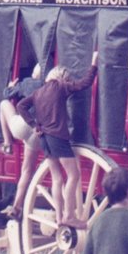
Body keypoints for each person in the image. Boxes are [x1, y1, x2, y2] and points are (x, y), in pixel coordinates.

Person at [17, 54, 98, 227]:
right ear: (61, 77)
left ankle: (60, 217)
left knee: (57, 179)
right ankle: (69, 215)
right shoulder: (60, 86)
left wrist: (34, 124)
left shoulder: (38, 92)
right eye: (67, 78)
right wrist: (93, 64)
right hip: (57, 137)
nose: (68, 81)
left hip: (44, 138)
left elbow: (20, 106)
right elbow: (85, 83)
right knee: (73, 174)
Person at [0, 64, 44, 220]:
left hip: (23, 126)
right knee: (27, 171)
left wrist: (10, 86)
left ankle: (7, 143)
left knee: (3, 104)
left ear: (34, 73)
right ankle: (17, 207)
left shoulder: (28, 82)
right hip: (39, 132)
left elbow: (7, 94)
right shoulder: (51, 86)